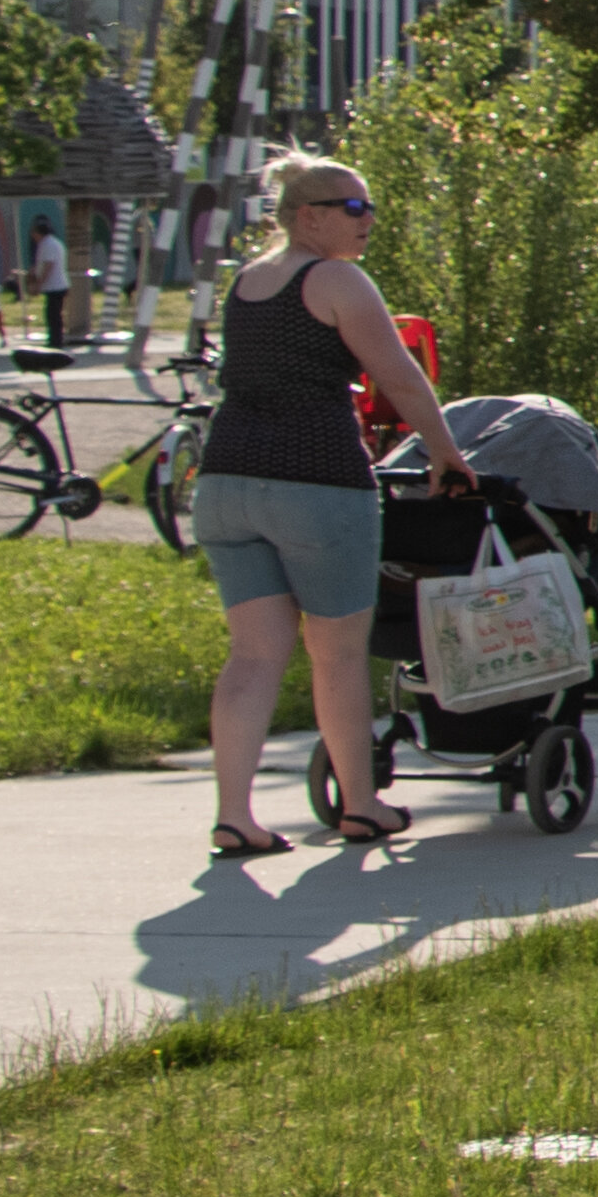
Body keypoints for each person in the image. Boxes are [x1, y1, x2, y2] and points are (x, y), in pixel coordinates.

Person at [192, 149, 458, 865]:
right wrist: (447, 453)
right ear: (306, 216)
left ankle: (234, 817)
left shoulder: (249, 282)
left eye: (368, 205)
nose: (368, 218)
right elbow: (398, 376)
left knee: (251, 655)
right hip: (316, 482)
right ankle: (363, 805)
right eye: (353, 207)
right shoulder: (337, 278)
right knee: (337, 655)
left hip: (226, 482)